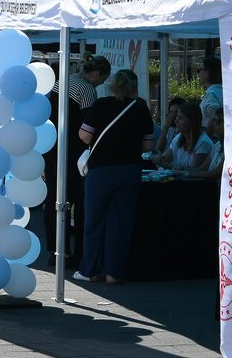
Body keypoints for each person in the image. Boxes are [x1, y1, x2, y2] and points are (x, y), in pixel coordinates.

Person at [75, 69, 153, 284]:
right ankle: (114, 272)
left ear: (112, 85)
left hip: (101, 170)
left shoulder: (101, 105)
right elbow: (147, 145)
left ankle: (90, 269)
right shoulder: (140, 108)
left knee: (94, 222)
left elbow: (84, 136)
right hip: (130, 170)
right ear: (135, 87)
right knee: (121, 224)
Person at [44, 53, 111, 260]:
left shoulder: (65, 80)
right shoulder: (88, 91)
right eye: (103, 79)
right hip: (72, 152)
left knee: (53, 200)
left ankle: (55, 250)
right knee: (76, 202)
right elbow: (88, 128)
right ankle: (79, 251)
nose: (101, 84)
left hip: (52, 145)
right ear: (97, 74)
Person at [153, 101, 214, 170]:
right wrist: (156, 158)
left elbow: (193, 173)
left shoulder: (203, 143)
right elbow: (165, 158)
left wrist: (162, 162)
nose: (176, 121)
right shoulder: (178, 138)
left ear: (191, 121)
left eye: (180, 118)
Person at [199, 56, 225, 125]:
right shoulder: (223, 91)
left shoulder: (212, 94)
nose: (199, 73)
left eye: (200, 69)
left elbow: (214, 117)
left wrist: (208, 135)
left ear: (208, 73)